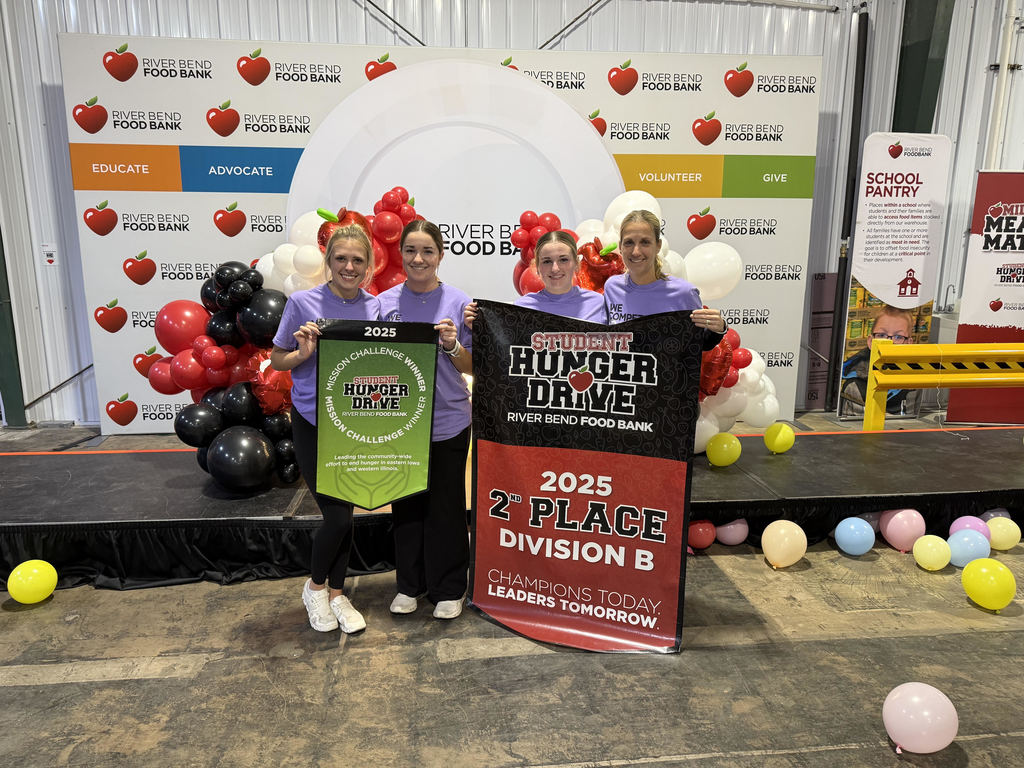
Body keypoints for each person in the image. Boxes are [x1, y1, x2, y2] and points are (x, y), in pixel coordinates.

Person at [270, 225, 379, 634]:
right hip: (314, 421)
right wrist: (301, 352)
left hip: (357, 423)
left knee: (346, 512)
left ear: (368, 265)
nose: (349, 267)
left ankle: (337, 593)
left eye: (357, 260)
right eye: (341, 259)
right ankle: (315, 588)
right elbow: (278, 360)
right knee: (335, 513)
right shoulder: (302, 302)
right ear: (328, 260)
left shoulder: (376, 308)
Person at [377, 220, 473, 620]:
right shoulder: (381, 303)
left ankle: (449, 587)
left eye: (427, 251)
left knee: (447, 507)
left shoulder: (459, 300)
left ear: (440, 255)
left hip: (450, 419)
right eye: (411, 251)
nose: (419, 259)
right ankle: (409, 584)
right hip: (400, 422)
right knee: (406, 505)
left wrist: (452, 345)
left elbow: (475, 364)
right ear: (401, 255)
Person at [604, 209, 726, 349]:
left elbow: (698, 344)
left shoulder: (684, 293)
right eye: (629, 243)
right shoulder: (612, 287)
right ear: (620, 247)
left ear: (658, 246)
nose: (636, 251)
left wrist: (718, 328)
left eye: (645, 242)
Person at [464, 229, 607, 329]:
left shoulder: (598, 304)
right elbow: (503, 352)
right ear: (537, 267)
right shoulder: (522, 307)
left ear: (576, 264)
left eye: (563, 260)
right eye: (546, 261)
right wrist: (480, 326)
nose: (555, 268)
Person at [840, 304, 918, 417]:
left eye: (898, 337)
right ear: (871, 341)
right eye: (881, 335)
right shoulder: (854, 386)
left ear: (909, 343)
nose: (889, 342)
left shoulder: (916, 383)